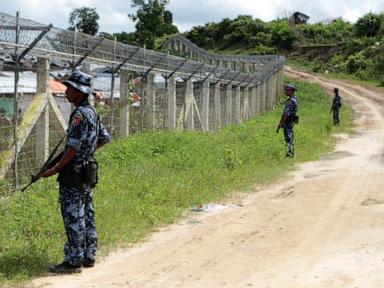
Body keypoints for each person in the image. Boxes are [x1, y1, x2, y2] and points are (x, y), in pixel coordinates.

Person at [42, 70, 110, 274]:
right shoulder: (92, 113)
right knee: (87, 213)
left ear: (80, 92)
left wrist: (55, 168)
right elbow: (104, 138)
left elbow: (71, 148)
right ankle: (89, 255)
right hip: (87, 170)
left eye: (70, 88)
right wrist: (87, 152)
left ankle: (73, 261)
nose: (66, 91)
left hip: (74, 172)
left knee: (73, 215)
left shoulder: (80, 114)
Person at [276, 83, 299, 158]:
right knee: (290, 137)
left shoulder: (290, 101)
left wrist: (281, 123)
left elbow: (286, 114)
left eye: (287, 90)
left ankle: (290, 154)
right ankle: (290, 153)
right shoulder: (295, 99)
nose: (285, 91)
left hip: (288, 122)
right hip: (291, 121)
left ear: (291, 91)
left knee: (288, 138)